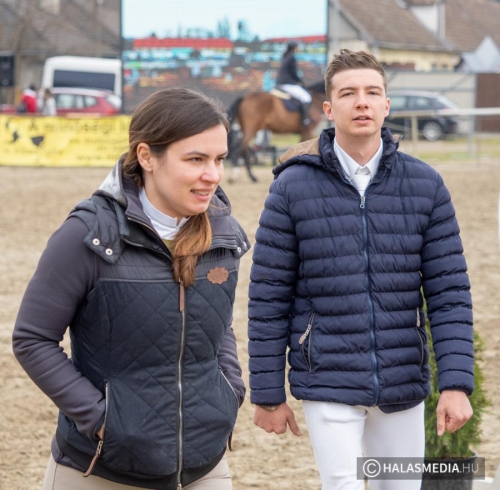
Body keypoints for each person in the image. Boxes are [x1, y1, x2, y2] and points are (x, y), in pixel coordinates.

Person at [248, 49, 474, 490]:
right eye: (348, 93)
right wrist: (269, 394)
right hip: (326, 377)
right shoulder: (291, 186)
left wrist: (456, 385)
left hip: (402, 377)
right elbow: (268, 295)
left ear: (386, 104)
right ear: (329, 108)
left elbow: (449, 294)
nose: (362, 102)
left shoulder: (426, 184)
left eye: (372, 92)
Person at [13, 86, 250, 490]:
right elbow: (32, 339)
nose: (213, 175)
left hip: (204, 467)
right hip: (99, 470)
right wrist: (104, 421)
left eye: (219, 159)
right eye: (195, 159)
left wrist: (229, 390)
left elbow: (218, 325)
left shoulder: (224, 235)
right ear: (146, 156)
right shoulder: (87, 235)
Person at [276, 40, 312, 127]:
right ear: (294, 48)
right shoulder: (292, 57)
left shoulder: (285, 56)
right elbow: (294, 74)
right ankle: (304, 119)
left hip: (281, 83)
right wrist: (301, 82)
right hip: (288, 84)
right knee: (306, 97)